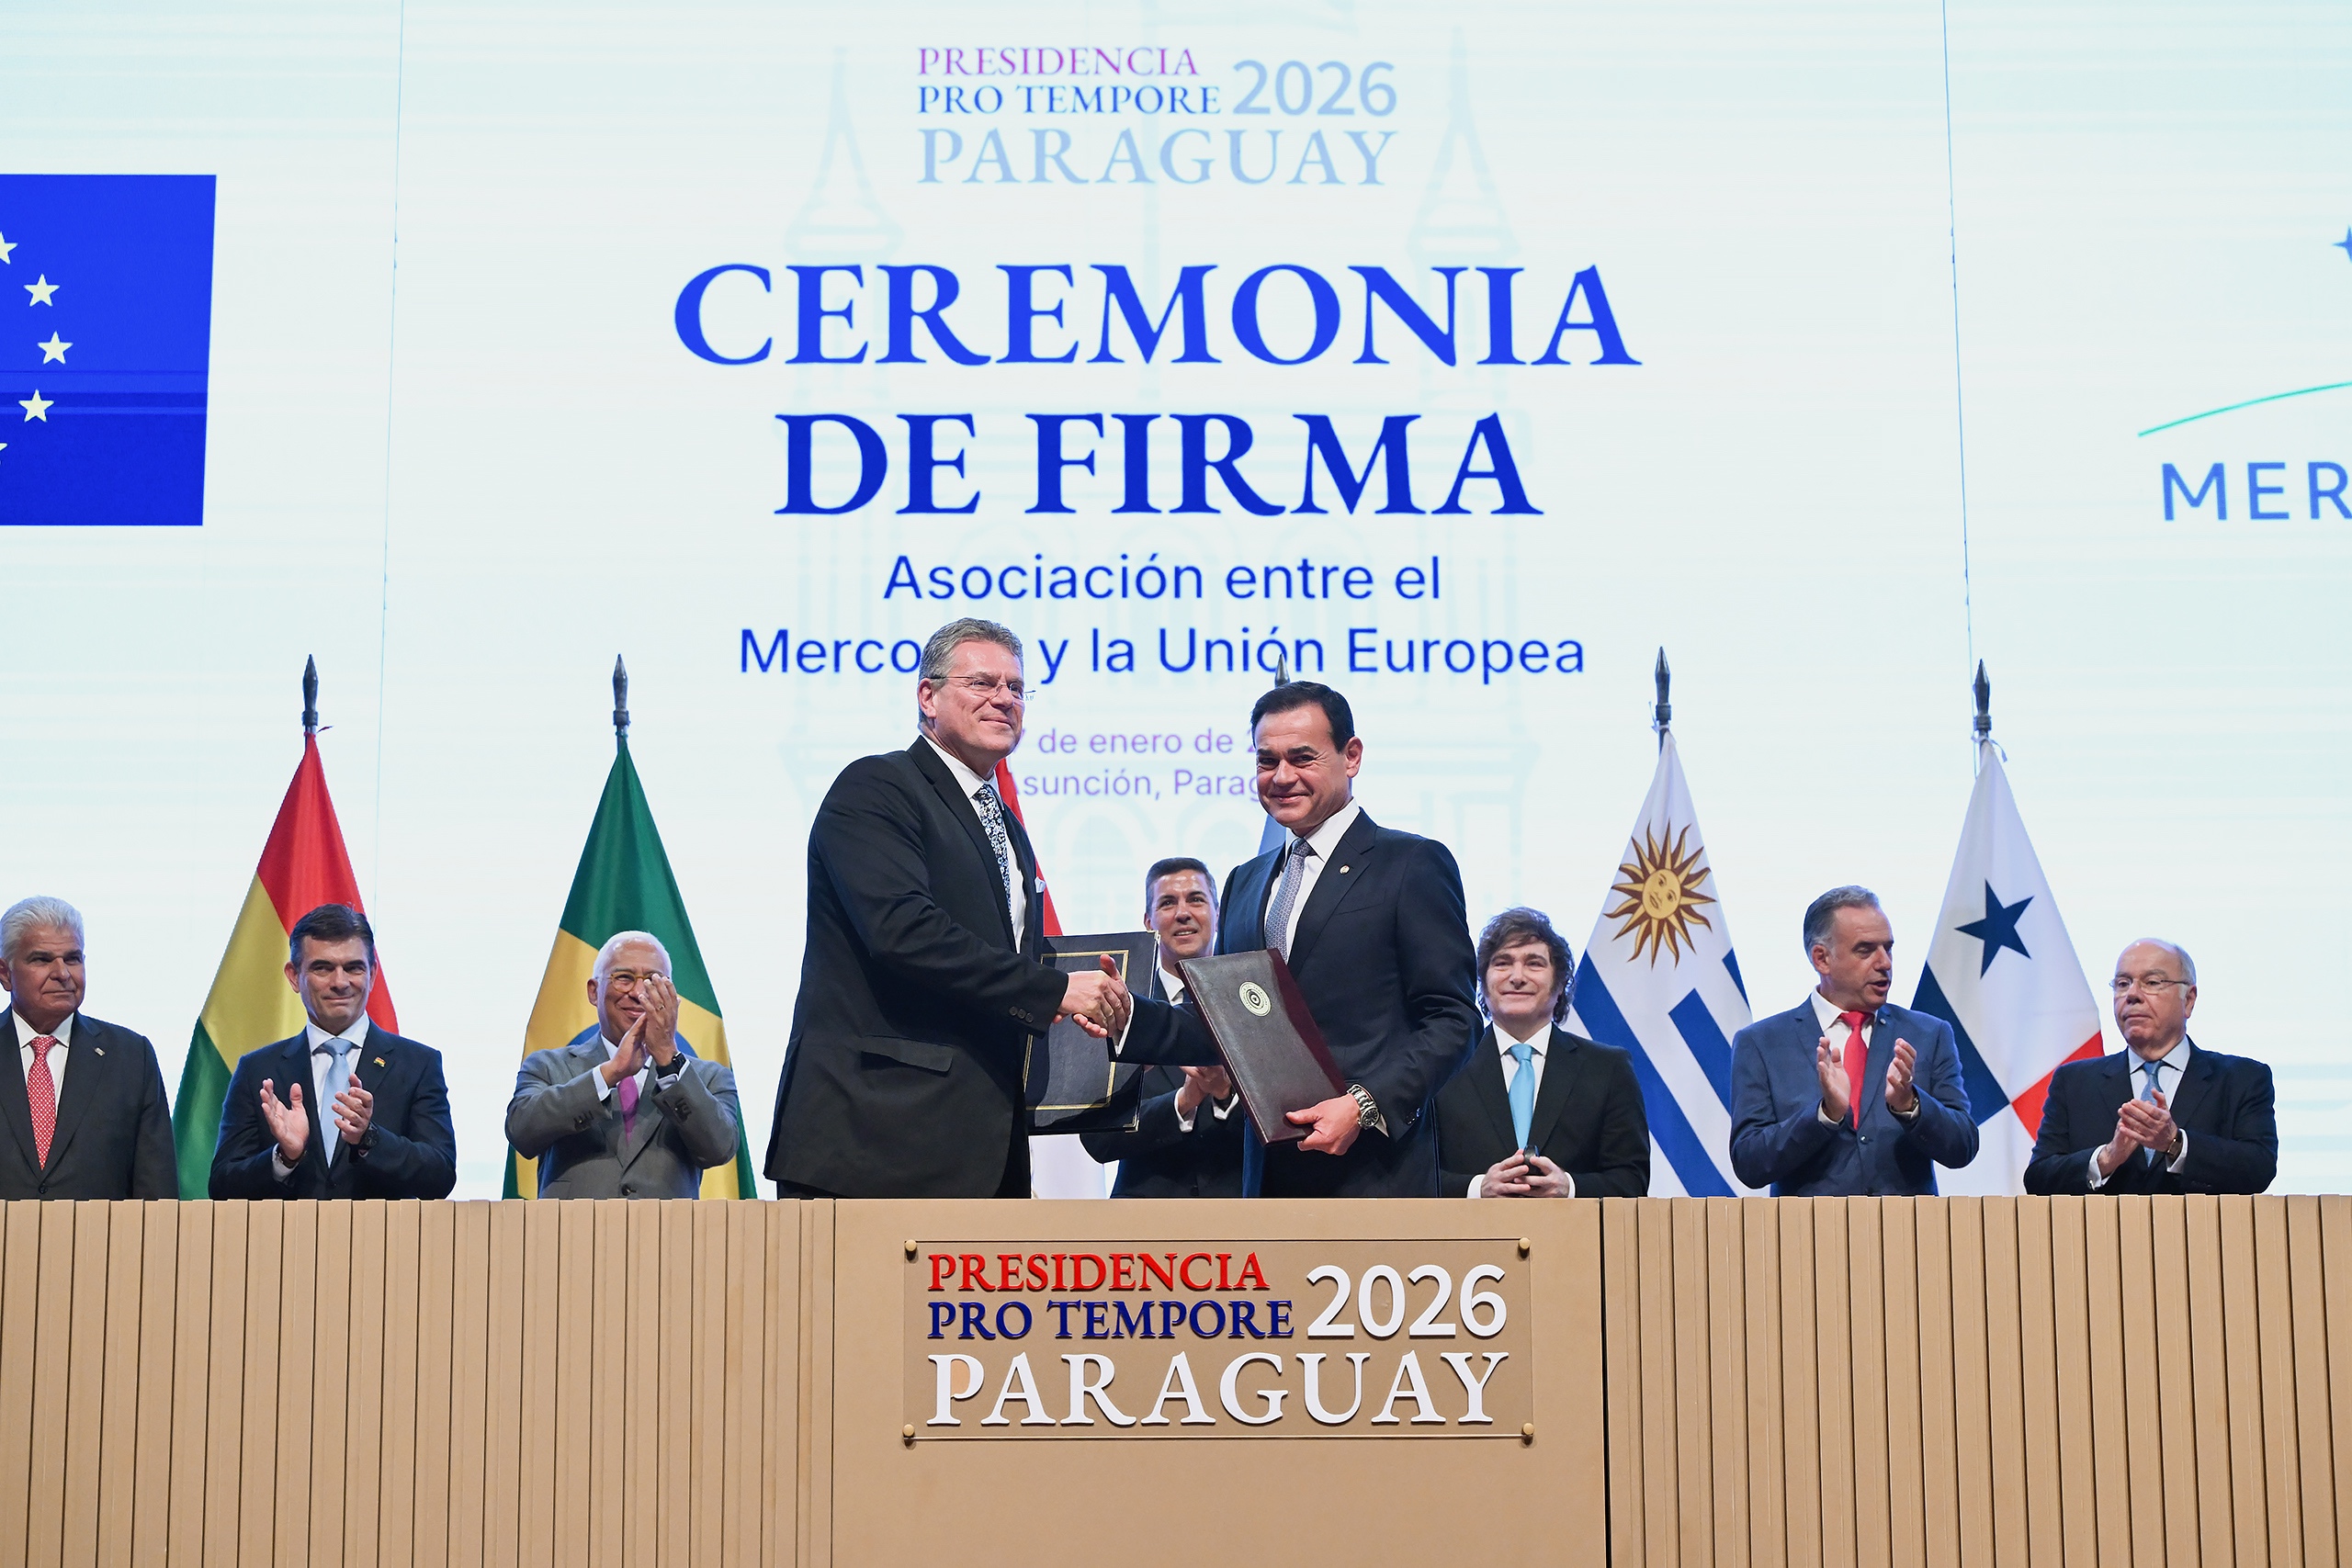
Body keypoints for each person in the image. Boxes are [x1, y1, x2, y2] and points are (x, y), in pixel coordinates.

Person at [763, 618, 1139, 1199]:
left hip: (980, 1146)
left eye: (1016, 688)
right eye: (983, 683)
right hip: (876, 1138)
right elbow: (903, 932)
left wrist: (1141, 1023)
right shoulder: (877, 787)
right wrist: (1054, 990)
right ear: (928, 697)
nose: (1004, 699)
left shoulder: (1005, 823)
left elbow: (1010, 962)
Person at [1125, 681, 1480, 1197]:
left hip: (1374, 1177)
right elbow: (1221, 1024)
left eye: (1302, 758)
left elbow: (1454, 1020)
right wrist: (1125, 1013)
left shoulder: (1411, 864)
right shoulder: (1246, 881)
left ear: (1351, 756)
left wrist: (1363, 1105)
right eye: (1267, 761)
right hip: (1265, 1178)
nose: (1282, 777)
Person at [1728, 886, 1976, 1195]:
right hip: (1808, 1226)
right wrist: (1824, 1115)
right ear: (1822, 959)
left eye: (1888, 948)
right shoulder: (1761, 1043)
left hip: (1908, 1226)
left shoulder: (1929, 1034)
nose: (1884, 963)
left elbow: (1963, 1146)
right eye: (1865, 950)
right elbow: (1749, 1163)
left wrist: (1910, 1105)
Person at [209, 903, 457, 1200]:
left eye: (353, 968)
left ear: (372, 974)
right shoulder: (257, 1070)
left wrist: (369, 1137)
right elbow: (222, 1186)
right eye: (323, 968)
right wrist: (284, 1157)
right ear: (293, 976)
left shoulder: (418, 1065)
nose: (340, 983)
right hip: (287, 1232)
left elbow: (440, 1176)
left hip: (383, 1232)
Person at [2023, 939, 2276, 1195]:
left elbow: (2259, 1168)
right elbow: (2038, 1178)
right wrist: (2106, 1158)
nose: (2132, 995)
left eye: (2152, 982)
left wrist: (2176, 1144)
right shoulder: (2074, 1082)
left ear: (2188, 1000)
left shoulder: (2242, 1078)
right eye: (2123, 984)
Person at [505, 931, 742, 1199]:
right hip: (572, 1225)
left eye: (653, 981)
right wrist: (609, 1074)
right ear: (594, 991)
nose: (639, 993)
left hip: (667, 1226)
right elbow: (521, 1132)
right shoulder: (547, 1066)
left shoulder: (708, 1077)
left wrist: (668, 1058)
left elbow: (719, 1149)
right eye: (624, 978)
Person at [1436, 907, 1649, 1199]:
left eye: (1534, 964)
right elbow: (1414, 1177)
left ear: (1560, 984)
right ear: (1482, 983)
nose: (1517, 977)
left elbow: (1631, 1180)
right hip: (1470, 1228)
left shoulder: (1608, 1068)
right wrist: (1477, 1188)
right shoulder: (1444, 1065)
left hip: (1572, 1229)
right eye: (1502, 963)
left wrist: (1569, 1188)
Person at [1080, 858, 1245, 1198]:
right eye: (1168, 903)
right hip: (1144, 1215)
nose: (1183, 913)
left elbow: (1288, 1119)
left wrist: (1225, 1095)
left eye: (1196, 899)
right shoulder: (1116, 1008)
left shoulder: (1252, 1000)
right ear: (1148, 922)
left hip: (1245, 1210)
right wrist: (1182, 1102)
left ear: (1217, 914)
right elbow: (1098, 1138)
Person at [0, 896, 175, 1200]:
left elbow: (156, 1191)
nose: (62, 973)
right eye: (42, 959)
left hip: (103, 1232)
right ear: (5, 973)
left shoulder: (132, 1057)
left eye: (72, 959)